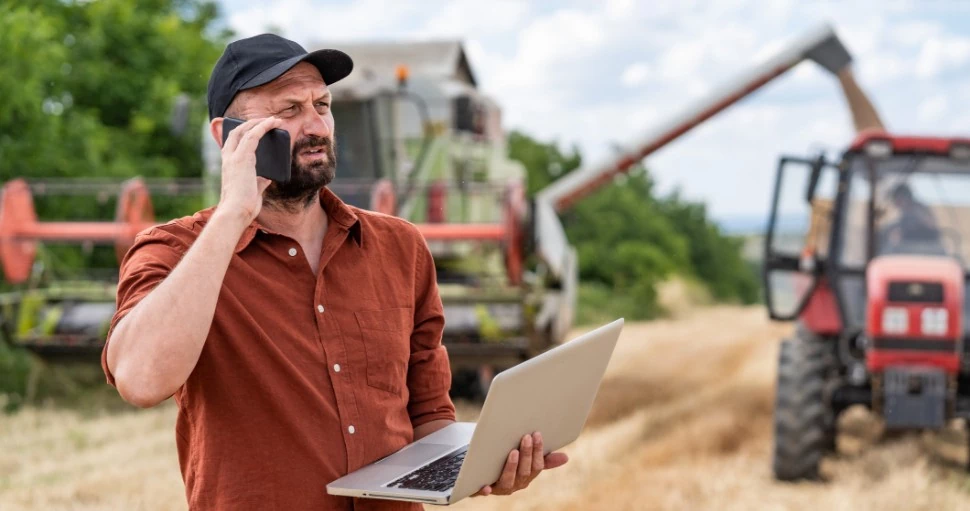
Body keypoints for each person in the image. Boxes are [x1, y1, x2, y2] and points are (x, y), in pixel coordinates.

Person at [101, 34, 566, 510]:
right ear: (227, 135)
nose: (315, 124)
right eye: (288, 111)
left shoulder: (400, 248)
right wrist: (232, 216)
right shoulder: (173, 251)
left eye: (321, 104)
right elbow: (141, 380)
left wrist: (484, 466)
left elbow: (428, 414)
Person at [881, 182, 940, 252]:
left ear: (906, 198)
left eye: (899, 200)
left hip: (925, 249)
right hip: (906, 249)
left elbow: (932, 227)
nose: (897, 204)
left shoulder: (919, 210)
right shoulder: (902, 217)